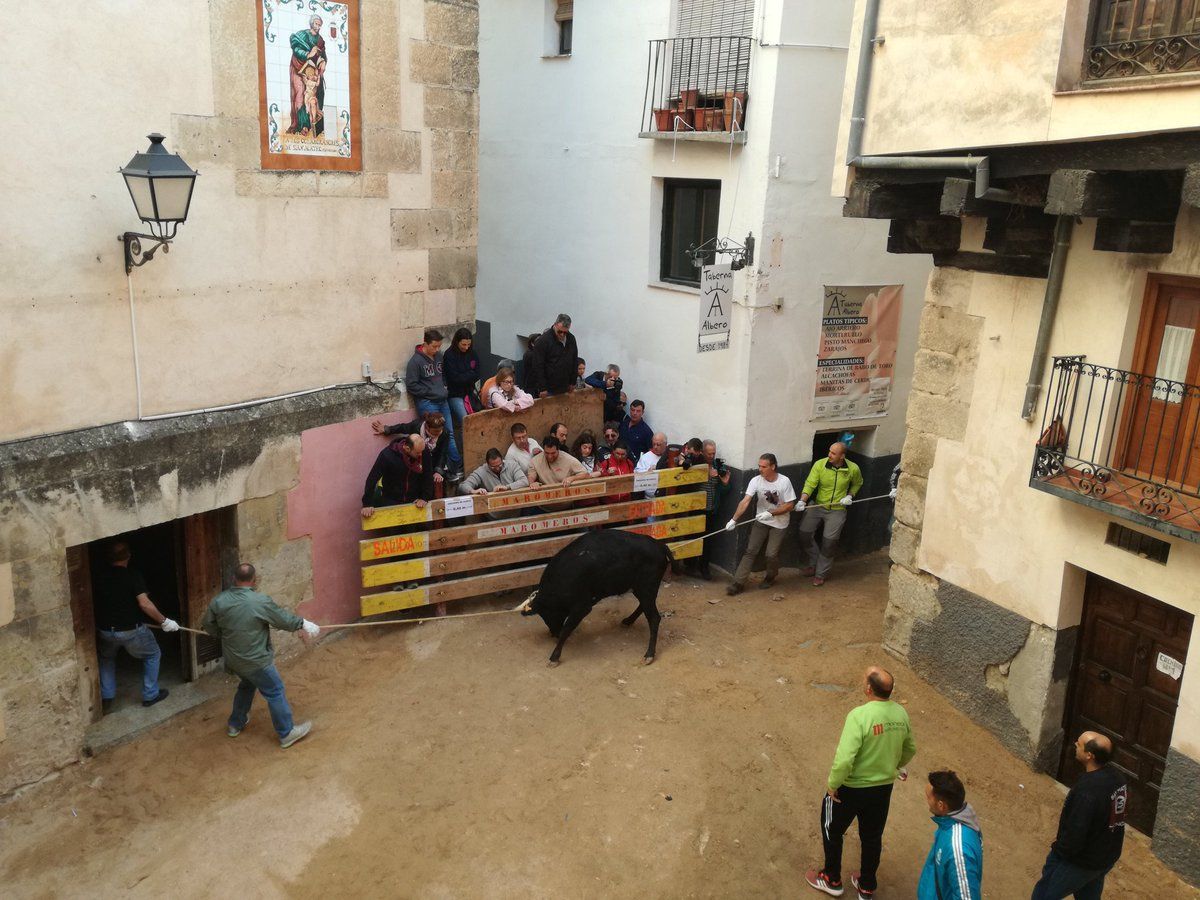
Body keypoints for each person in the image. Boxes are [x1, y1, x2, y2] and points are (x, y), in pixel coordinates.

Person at [806, 666, 917, 900]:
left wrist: (833, 784)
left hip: (852, 788)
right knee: (872, 835)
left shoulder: (859, 716)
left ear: (868, 689)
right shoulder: (900, 714)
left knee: (832, 828)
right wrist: (893, 765)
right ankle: (866, 886)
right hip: (882, 789)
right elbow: (910, 749)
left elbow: (845, 759)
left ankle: (831, 879)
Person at [201, 563, 319, 749]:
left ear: (234, 579)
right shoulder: (260, 601)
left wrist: (225, 633)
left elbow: (208, 625)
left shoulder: (219, 601)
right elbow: (283, 620)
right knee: (275, 690)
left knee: (247, 684)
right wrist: (303, 623)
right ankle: (286, 733)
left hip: (234, 659)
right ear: (254, 580)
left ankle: (235, 723)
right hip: (255, 660)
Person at [1030, 732, 1127, 900]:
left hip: (1081, 862)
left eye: (1079, 744)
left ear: (1089, 755)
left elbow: (1076, 831)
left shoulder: (1087, 791)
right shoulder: (1117, 778)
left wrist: (1058, 854)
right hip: (1104, 858)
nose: (1075, 744)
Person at [93, 541, 178, 712]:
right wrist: (165, 621)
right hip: (131, 630)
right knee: (153, 654)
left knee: (106, 659)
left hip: (105, 631)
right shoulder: (132, 575)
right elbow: (145, 604)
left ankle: (107, 696)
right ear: (128, 556)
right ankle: (150, 694)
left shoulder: (98, 576)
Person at [724, 453, 797, 595]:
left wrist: (771, 513)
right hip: (761, 520)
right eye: (759, 466)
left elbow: (789, 505)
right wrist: (734, 519)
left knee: (771, 554)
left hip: (779, 522)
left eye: (764, 466)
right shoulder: (756, 481)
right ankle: (738, 583)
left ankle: (771, 575)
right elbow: (745, 501)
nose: (760, 469)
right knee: (750, 551)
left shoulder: (784, 481)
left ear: (773, 467)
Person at [797, 442, 863, 587]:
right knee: (804, 534)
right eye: (829, 451)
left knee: (829, 543)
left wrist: (850, 495)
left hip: (837, 509)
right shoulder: (820, 465)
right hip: (817, 505)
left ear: (842, 456)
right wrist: (803, 500)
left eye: (833, 453)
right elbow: (810, 483)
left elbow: (858, 483)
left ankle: (820, 574)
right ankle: (814, 563)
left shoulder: (853, 468)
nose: (829, 455)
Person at [917, 770, 983, 900]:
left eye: (928, 797)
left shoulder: (958, 849)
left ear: (941, 805)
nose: (927, 801)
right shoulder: (950, 823)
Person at [404, 328, 462, 474]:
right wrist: (429, 392)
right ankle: (441, 469)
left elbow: (442, 375)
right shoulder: (415, 362)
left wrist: (443, 387)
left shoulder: (439, 357)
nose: (437, 350)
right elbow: (411, 385)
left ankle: (455, 467)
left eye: (439, 347)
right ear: (425, 343)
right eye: (434, 346)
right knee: (435, 436)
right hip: (428, 403)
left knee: (448, 433)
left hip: (443, 400)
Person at [360, 433, 433, 518]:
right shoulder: (387, 455)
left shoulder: (423, 451)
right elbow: (372, 478)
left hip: (415, 501)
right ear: (407, 448)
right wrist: (367, 504)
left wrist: (424, 497)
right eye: (418, 453)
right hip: (391, 501)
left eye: (422, 451)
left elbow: (428, 475)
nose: (421, 455)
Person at [373, 412, 453, 484]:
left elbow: (443, 452)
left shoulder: (445, 433)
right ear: (427, 427)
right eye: (435, 432)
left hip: (432, 463)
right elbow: (403, 427)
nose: (438, 433)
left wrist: (438, 471)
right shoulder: (416, 426)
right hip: (416, 461)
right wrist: (387, 429)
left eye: (440, 430)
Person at [459, 448, 528, 518]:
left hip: (515, 512)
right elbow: (463, 486)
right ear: (487, 463)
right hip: (494, 516)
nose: (497, 468)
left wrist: (507, 487)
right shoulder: (481, 471)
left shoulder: (512, 465)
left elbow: (524, 481)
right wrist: (473, 491)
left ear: (502, 460)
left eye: (499, 465)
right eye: (493, 467)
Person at [287, 15, 326, 136]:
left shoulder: (320, 40)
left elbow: (322, 54)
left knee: (316, 96)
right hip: (299, 67)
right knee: (300, 95)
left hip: (312, 70)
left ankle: (311, 124)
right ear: (311, 24)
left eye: (319, 25)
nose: (318, 27)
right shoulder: (302, 35)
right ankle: (301, 125)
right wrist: (308, 54)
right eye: (316, 24)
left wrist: (322, 61)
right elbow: (295, 47)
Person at [527, 314, 579, 398]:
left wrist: (573, 382)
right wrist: (542, 388)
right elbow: (538, 366)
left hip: (566, 386)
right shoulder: (543, 341)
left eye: (565, 332)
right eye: (560, 331)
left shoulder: (571, 338)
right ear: (555, 324)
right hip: (549, 389)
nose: (562, 335)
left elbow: (574, 359)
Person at [443, 327, 480, 433]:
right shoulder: (449, 355)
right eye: (463, 344)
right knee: (465, 420)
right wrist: (470, 373)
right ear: (457, 342)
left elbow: (477, 373)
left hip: (469, 393)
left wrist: (464, 375)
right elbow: (454, 378)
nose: (466, 347)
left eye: (468, 344)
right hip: (455, 394)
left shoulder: (472, 353)